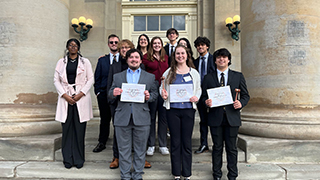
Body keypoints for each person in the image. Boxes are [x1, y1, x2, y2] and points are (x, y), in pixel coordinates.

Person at [108, 48, 158, 180]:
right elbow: (110, 93)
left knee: (140, 149)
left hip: (141, 117)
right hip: (122, 117)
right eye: (131, 57)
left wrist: (149, 96)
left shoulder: (150, 77)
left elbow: (155, 94)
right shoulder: (118, 76)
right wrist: (113, 93)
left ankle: (137, 175)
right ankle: (124, 175)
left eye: (136, 57)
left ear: (141, 60)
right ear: (127, 59)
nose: (134, 60)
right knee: (123, 150)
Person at [202, 48, 250, 180]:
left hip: (232, 117)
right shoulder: (208, 77)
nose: (221, 59)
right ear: (215, 60)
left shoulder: (238, 76)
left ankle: (232, 175)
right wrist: (207, 102)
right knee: (217, 148)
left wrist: (241, 103)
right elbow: (202, 97)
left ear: (228, 60)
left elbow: (246, 96)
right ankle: (216, 174)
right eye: (219, 57)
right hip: (215, 117)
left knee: (232, 148)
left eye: (224, 57)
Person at [160, 45, 201, 180]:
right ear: (174, 56)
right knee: (175, 142)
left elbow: (198, 89)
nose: (180, 56)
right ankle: (176, 173)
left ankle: (187, 174)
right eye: (177, 53)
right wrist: (163, 95)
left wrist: (196, 97)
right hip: (173, 111)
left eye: (182, 53)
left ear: (187, 55)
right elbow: (163, 89)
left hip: (188, 111)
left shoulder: (193, 73)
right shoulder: (168, 73)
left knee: (186, 142)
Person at [54, 38, 94, 169]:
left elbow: (90, 79)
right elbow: (56, 80)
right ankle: (68, 159)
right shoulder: (61, 62)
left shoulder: (85, 61)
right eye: (71, 45)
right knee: (67, 130)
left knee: (79, 130)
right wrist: (65, 95)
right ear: (67, 47)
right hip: (66, 98)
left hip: (80, 98)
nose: (73, 47)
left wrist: (80, 94)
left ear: (78, 48)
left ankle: (78, 159)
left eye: (75, 45)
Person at [93, 34, 120, 153]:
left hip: (118, 94)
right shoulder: (102, 60)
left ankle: (118, 141)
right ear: (108, 44)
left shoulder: (124, 60)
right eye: (111, 42)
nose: (113, 44)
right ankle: (102, 142)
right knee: (104, 119)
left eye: (115, 42)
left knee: (118, 119)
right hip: (103, 93)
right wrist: (98, 92)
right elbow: (97, 77)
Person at [142, 36, 169, 156]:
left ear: (162, 45)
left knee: (163, 118)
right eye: (154, 43)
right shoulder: (145, 57)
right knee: (151, 118)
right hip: (151, 90)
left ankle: (163, 145)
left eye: (159, 43)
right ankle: (151, 144)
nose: (157, 45)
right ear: (151, 45)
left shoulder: (166, 57)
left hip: (163, 90)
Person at [193, 36, 215, 154]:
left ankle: (217, 144)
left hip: (212, 94)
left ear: (207, 46)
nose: (200, 47)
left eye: (202, 45)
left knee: (215, 120)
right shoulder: (195, 62)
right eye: (198, 45)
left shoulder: (214, 59)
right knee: (203, 121)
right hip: (200, 95)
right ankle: (204, 144)